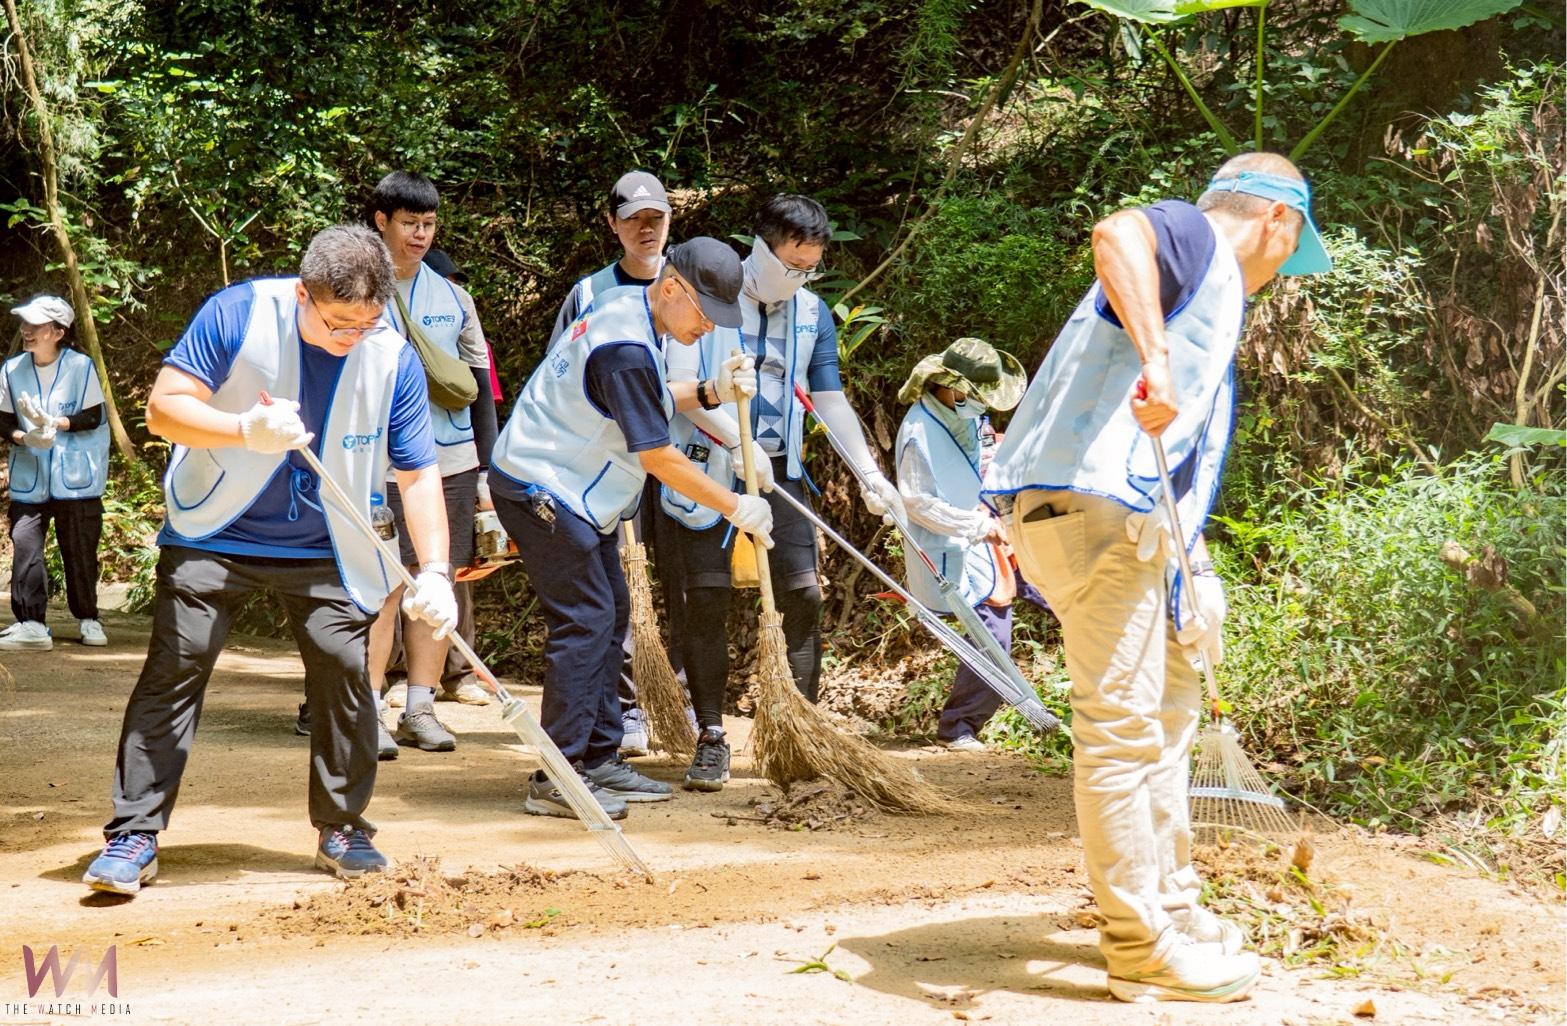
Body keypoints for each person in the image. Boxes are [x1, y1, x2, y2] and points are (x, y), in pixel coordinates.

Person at [980, 152, 1333, 1003]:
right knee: (1124, 731)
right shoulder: (1196, 237)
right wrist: (1160, 362)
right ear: (1276, 223)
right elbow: (1117, 232)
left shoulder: (1211, 302)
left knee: (1167, 719)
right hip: (1091, 515)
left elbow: (1167, 469)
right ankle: (1140, 945)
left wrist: (1194, 568)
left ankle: (1170, 905)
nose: (1283, 270)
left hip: (1129, 529)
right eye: (1290, 250)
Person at [83, 225, 458, 895]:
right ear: (302, 296)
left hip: (328, 544)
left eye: (368, 322)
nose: (354, 337)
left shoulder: (392, 357)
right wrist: (242, 432)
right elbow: (163, 410)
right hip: (213, 530)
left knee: (346, 673)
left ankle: (343, 827)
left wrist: (434, 569)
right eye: (340, 323)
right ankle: (134, 834)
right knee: (177, 664)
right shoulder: (238, 313)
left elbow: (418, 472)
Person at [489, 236, 770, 822]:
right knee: (586, 619)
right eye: (705, 315)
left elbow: (646, 398)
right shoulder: (624, 345)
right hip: (541, 483)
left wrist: (713, 391)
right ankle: (558, 775)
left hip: (567, 486)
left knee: (610, 611)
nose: (707, 329)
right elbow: (658, 456)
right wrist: (735, 505)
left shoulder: (631, 314)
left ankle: (597, 756)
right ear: (672, 288)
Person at [659, 194, 904, 793]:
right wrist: (732, 442)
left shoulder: (812, 312)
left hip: (780, 470)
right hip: (708, 469)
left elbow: (829, 398)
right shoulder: (707, 292)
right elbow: (676, 388)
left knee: (804, 595)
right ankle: (711, 737)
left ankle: (802, 732)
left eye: (809, 268)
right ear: (760, 248)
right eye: (790, 264)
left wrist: (870, 472)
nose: (797, 278)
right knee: (708, 599)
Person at [358, 171, 500, 756]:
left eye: (429, 225)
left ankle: (421, 706)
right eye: (409, 223)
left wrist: (488, 471)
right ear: (380, 222)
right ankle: (365, 709)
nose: (420, 235)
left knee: (433, 584)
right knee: (381, 589)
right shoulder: (354, 291)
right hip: (377, 465)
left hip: (452, 462)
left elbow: (483, 388)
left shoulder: (454, 296)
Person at [550, 170, 682, 757]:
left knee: (679, 580)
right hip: (608, 464)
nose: (646, 229)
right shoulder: (590, 293)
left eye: (655, 218)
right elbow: (560, 375)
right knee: (617, 591)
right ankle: (622, 711)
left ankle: (678, 701)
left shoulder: (690, 284)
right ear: (613, 225)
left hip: (682, 458)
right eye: (633, 220)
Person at [893, 337, 1027, 752]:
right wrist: (976, 526)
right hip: (956, 543)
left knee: (1068, 595)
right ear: (951, 387)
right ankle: (959, 725)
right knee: (992, 631)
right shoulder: (918, 433)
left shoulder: (968, 415)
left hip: (997, 530)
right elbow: (917, 503)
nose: (983, 404)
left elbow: (983, 456)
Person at [0, 295, 110, 651]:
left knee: (79, 548)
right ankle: (31, 623)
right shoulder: (11, 370)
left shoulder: (81, 367)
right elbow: (3, 421)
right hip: (29, 476)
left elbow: (92, 416)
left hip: (77, 479)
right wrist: (24, 436)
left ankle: (89, 619)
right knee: (26, 544)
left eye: (35, 326)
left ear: (58, 332)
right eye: (25, 324)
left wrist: (56, 423)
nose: (26, 331)